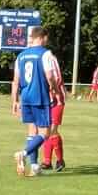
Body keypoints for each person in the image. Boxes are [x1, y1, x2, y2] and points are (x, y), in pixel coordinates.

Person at [11, 26, 58, 177]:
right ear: (42, 37)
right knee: (45, 132)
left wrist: (15, 101)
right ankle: (23, 154)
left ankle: (35, 167)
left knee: (32, 131)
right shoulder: (45, 53)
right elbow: (50, 76)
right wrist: (55, 90)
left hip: (25, 97)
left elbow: (16, 80)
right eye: (47, 38)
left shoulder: (21, 55)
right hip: (39, 96)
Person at [40, 35, 66, 173]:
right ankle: (47, 161)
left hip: (56, 99)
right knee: (46, 131)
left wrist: (53, 91)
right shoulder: (38, 58)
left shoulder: (50, 58)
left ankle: (59, 160)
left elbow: (57, 78)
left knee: (53, 130)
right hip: (45, 100)